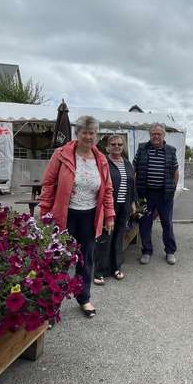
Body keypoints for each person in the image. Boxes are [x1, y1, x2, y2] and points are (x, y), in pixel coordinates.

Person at [39, 115, 115, 317]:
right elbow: (48, 184)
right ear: (77, 133)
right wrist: (45, 213)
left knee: (86, 259)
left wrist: (109, 215)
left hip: (90, 216)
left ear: (97, 135)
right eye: (85, 132)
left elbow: (107, 190)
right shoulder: (62, 154)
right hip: (65, 215)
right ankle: (52, 302)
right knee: (59, 259)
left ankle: (84, 298)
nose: (89, 137)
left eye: (93, 133)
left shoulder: (101, 160)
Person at [133, 123, 179, 265]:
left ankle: (170, 251)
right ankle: (146, 251)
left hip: (165, 195)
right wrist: (134, 192)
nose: (156, 136)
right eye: (153, 134)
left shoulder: (171, 150)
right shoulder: (142, 148)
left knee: (167, 223)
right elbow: (134, 169)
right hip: (145, 193)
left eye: (159, 134)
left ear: (164, 135)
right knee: (145, 223)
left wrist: (172, 189)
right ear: (150, 135)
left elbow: (175, 172)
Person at [93, 134, 136, 285]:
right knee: (105, 238)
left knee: (119, 236)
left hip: (124, 205)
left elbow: (132, 184)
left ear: (123, 147)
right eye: (113, 144)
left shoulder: (127, 163)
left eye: (119, 144)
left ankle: (116, 267)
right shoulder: (103, 162)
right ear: (107, 147)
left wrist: (133, 202)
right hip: (108, 206)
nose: (116, 147)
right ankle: (100, 271)